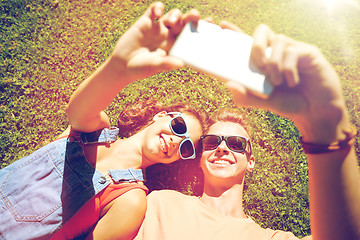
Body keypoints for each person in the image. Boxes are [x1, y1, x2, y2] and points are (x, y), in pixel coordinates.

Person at [133, 19, 360, 240]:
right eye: (212, 142)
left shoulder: (271, 238)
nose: (222, 148)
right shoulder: (159, 202)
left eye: (236, 144)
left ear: (250, 161)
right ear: (200, 158)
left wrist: (325, 125)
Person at [0, 3, 207, 240]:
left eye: (186, 146)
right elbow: (76, 110)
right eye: (178, 127)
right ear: (161, 116)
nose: (175, 141)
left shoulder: (131, 200)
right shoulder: (95, 131)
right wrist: (118, 67)